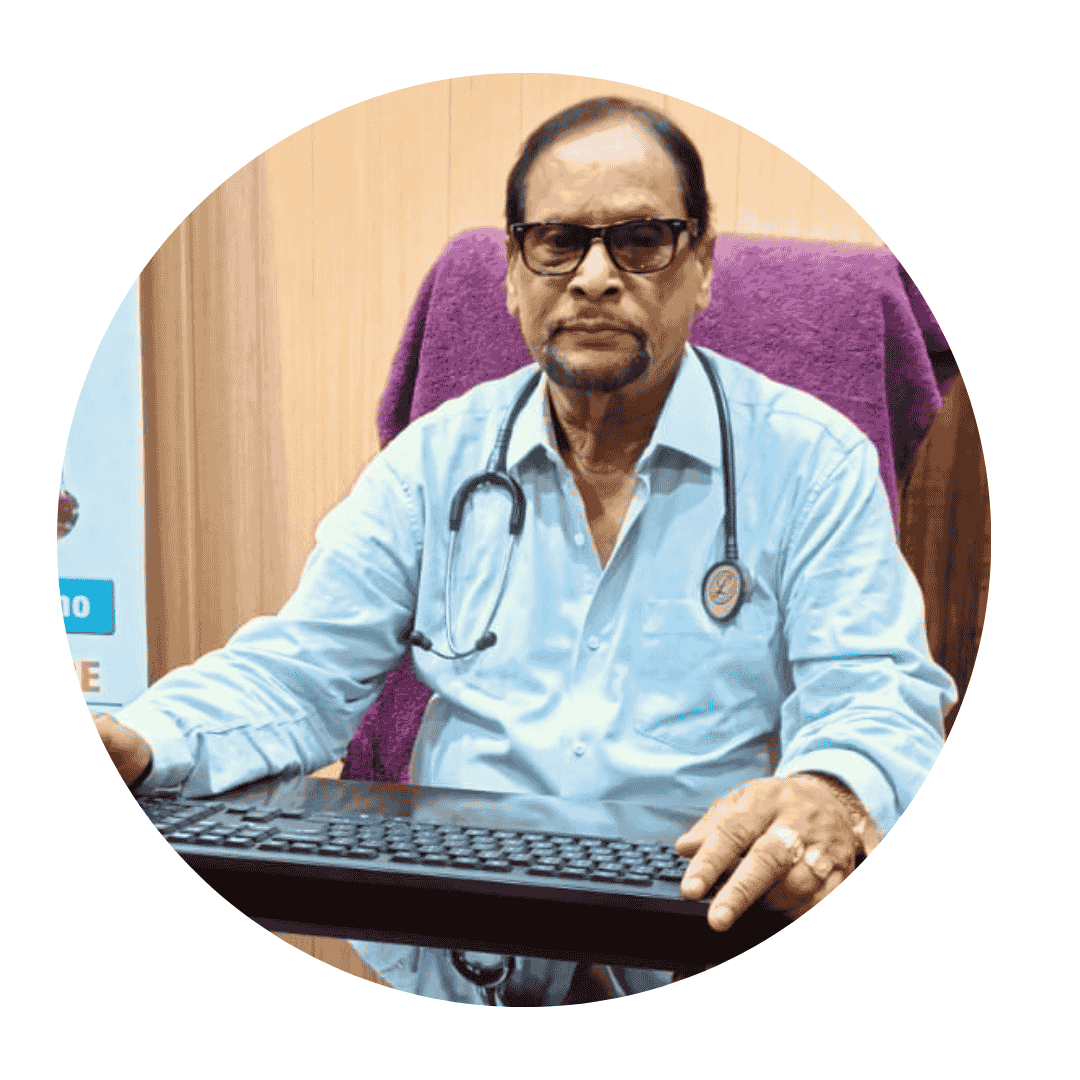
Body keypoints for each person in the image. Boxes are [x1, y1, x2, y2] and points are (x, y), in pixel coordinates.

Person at [94, 97, 956, 1004]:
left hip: (697, 944)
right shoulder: (433, 462)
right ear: (514, 274)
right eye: (557, 242)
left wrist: (830, 786)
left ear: (701, 266)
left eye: (641, 240)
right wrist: (139, 740)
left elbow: (876, 690)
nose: (595, 277)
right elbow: (299, 670)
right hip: (460, 947)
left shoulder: (811, 462)